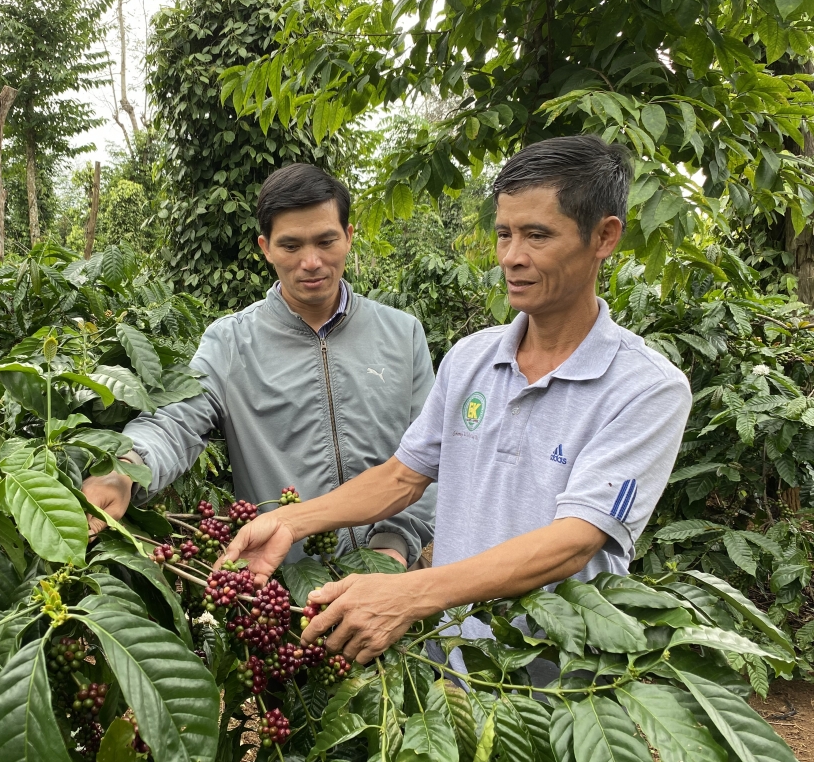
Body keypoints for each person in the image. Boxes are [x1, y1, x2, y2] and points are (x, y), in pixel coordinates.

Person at [220, 135, 693, 664]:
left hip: (564, 677)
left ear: (604, 237)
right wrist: (289, 522)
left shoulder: (646, 387)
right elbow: (402, 477)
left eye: (538, 235)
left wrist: (409, 594)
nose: (513, 257)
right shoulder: (471, 359)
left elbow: (575, 541)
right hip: (452, 663)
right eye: (505, 234)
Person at [82, 163, 436, 567]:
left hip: (393, 577)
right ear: (265, 247)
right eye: (290, 246)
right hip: (279, 584)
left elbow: (431, 454)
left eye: (326, 241)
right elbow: (177, 420)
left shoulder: (402, 334)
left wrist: (391, 550)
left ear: (349, 237)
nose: (311, 262)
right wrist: (126, 468)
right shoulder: (230, 342)